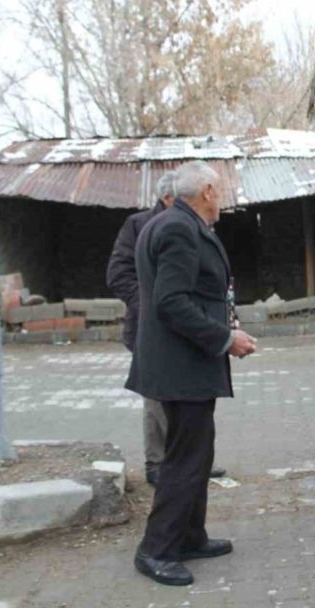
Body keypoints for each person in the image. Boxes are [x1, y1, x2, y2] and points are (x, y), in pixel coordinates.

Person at [127, 160, 258, 586]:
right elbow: (171, 301)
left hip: (184, 365)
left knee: (196, 453)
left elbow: (194, 294)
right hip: (180, 366)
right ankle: (156, 549)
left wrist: (225, 327)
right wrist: (224, 338)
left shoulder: (176, 223)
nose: (223, 198)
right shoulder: (178, 228)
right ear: (207, 191)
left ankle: (189, 536)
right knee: (185, 459)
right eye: (220, 191)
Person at [107, 171, 227, 486]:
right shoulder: (145, 224)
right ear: (167, 197)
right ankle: (159, 463)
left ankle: (191, 459)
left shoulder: (195, 224)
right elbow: (118, 273)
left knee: (192, 400)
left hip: (189, 327)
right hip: (155, 328)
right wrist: (146, 303)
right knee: (158, 398)